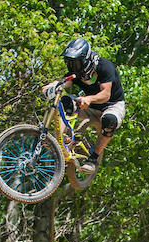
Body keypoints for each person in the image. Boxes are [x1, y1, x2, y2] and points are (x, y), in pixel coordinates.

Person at [42, 37, 125, 174]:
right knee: (65, 103)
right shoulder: (76, 72)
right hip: (89, 106)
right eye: (69, 63)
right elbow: (64, 82)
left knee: (110, 120)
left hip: (112, 105)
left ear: (85, 60)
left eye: (75, 63)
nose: (73, 67)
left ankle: (93, 159)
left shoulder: (104, 67)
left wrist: (89, 99)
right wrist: (52, 86)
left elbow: (106, 94)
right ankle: (61, 139)